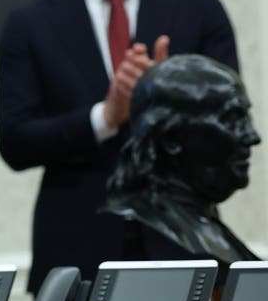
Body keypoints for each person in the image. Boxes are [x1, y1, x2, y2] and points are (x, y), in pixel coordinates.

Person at [0, 0, 239, 294]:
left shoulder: (199, 11)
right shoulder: (28, 23)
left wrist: (168, 105)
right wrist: (105, 117)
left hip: (183, 250)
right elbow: (16, 142)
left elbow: (228, 136)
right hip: (73, 257)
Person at [101, 54, 259, 270]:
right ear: (172, 139)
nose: (252, 136)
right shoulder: (141, 230)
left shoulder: (203, 223)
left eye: (246, 118)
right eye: (232, 119)